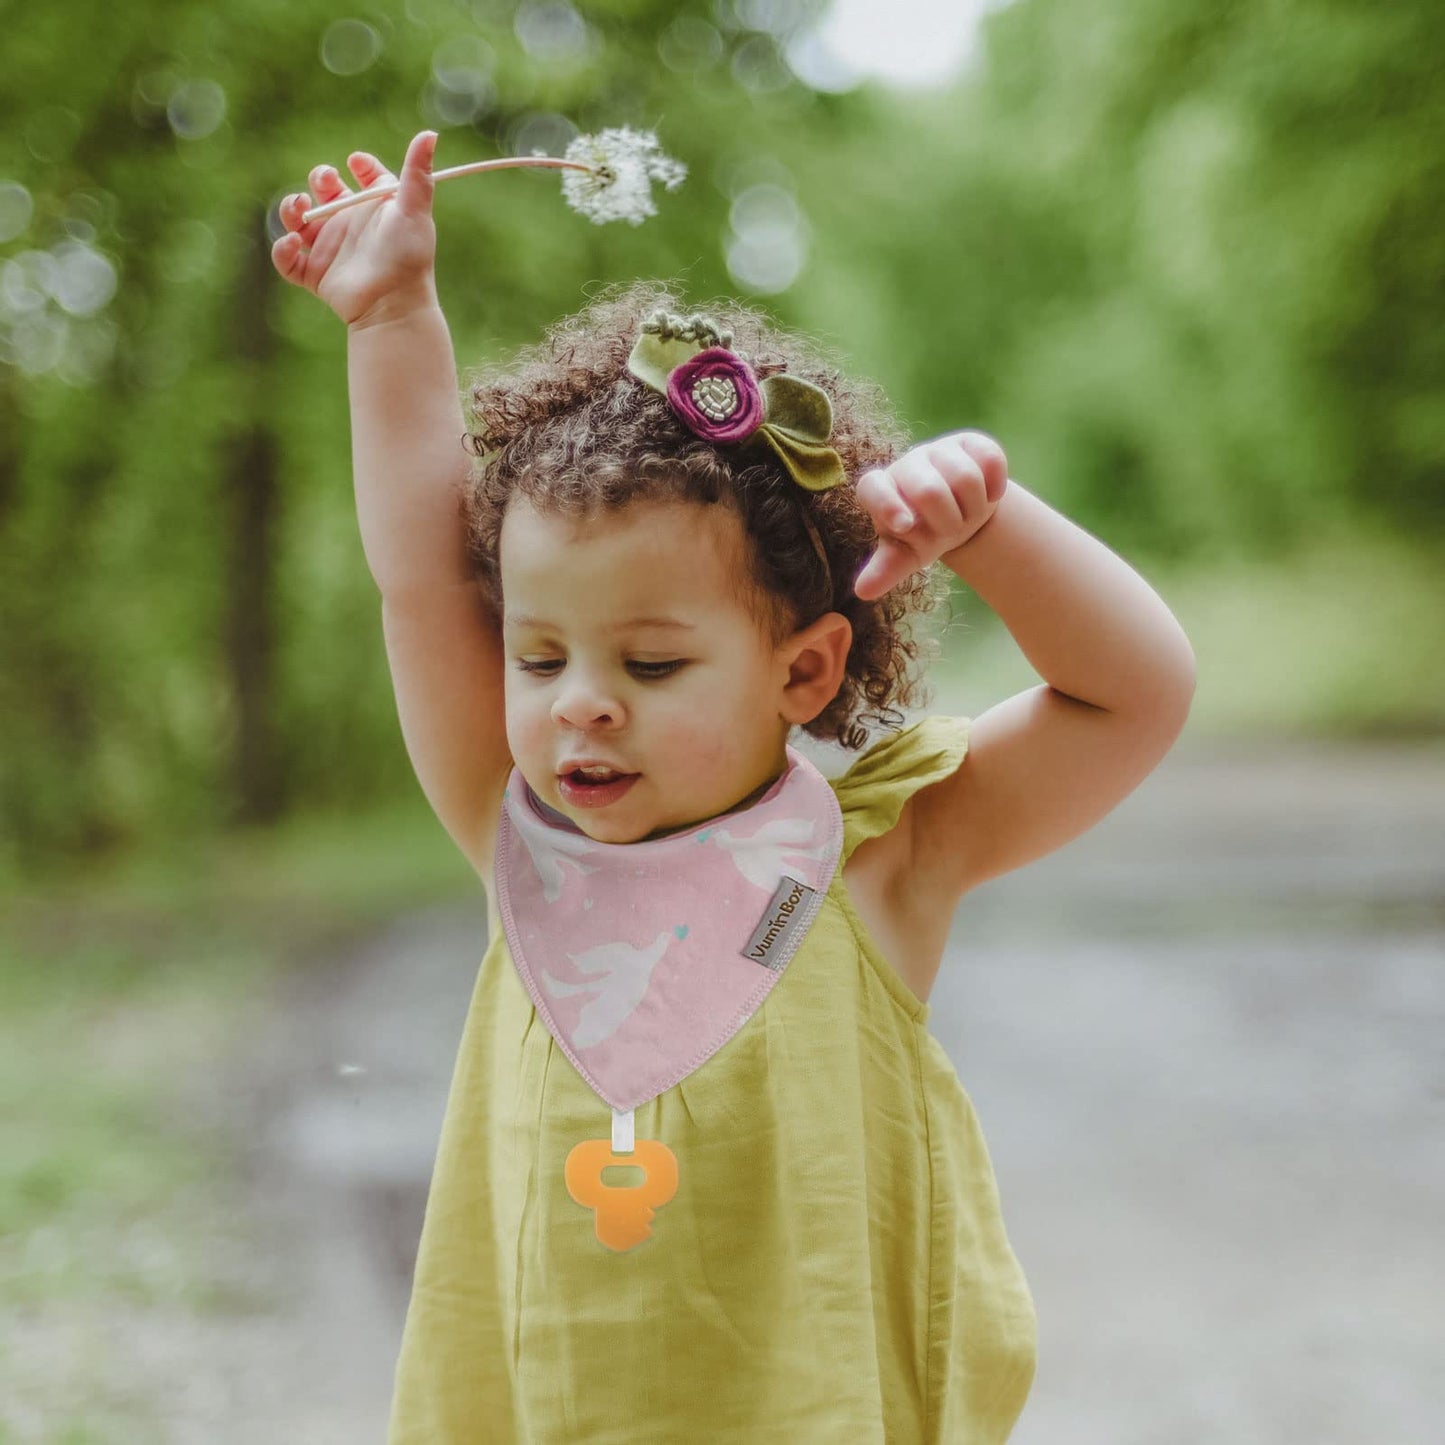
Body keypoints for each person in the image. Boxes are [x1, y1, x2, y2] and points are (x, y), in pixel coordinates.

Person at [272, 129, 1196, 1445]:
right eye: (537, 654)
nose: (579, 698)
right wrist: (391, 316)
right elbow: (423, 572)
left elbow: (1134, 694)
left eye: (650, 660)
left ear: (805, 668)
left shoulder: (876, 859)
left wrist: (989, 526)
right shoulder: (518, 838)